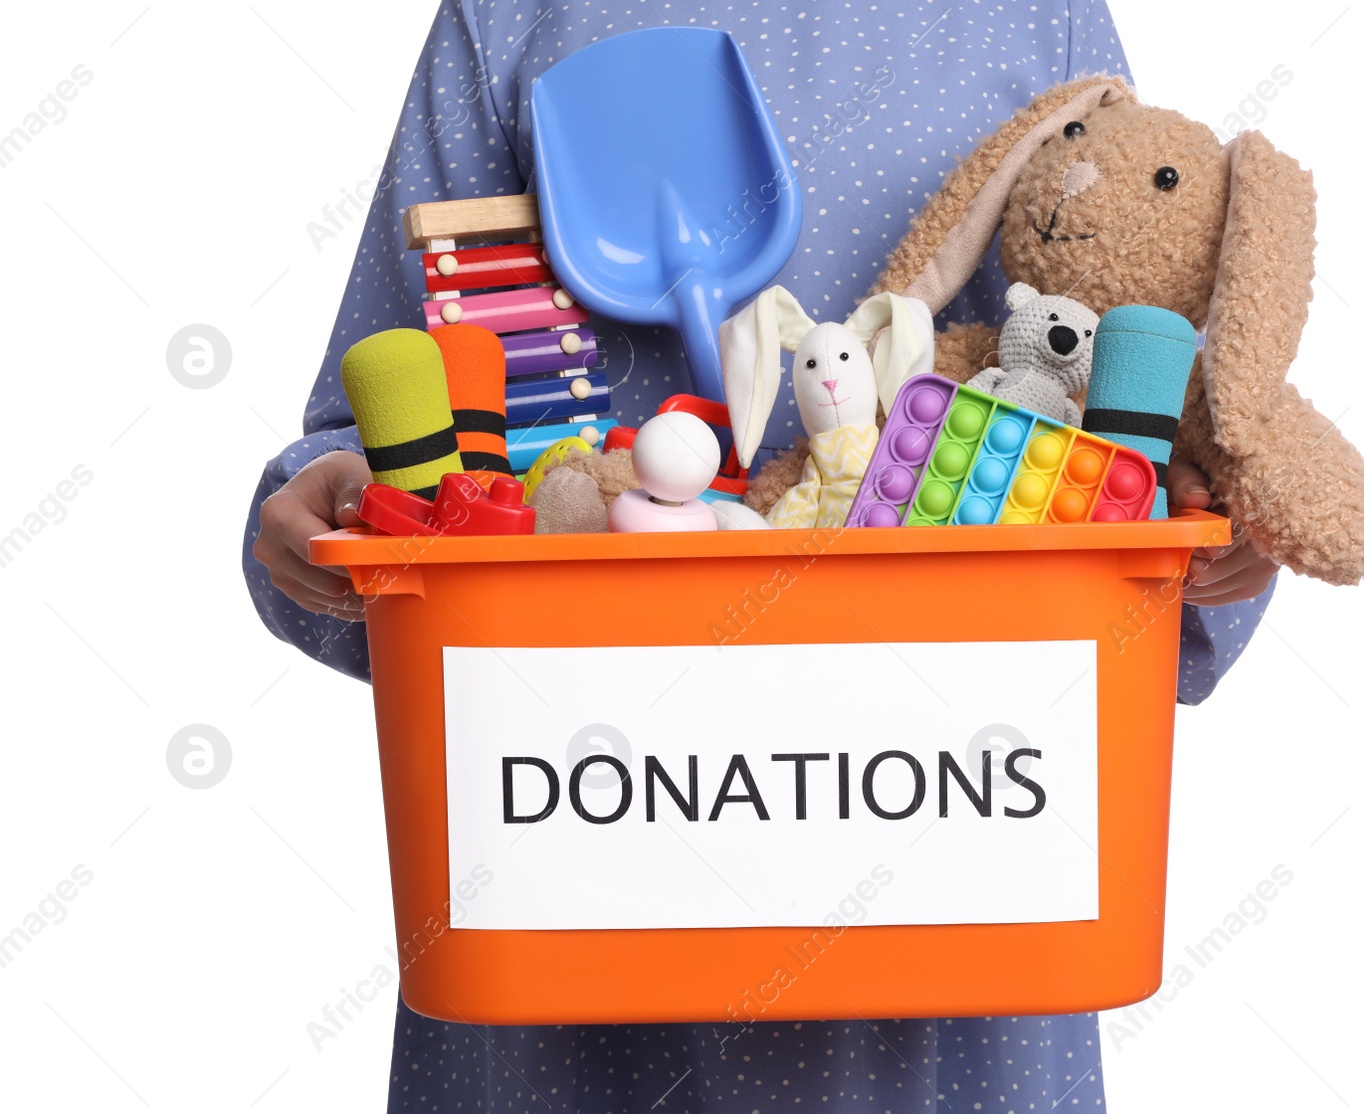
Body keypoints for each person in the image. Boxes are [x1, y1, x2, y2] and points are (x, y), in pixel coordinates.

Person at [244, 2, 1279, 1109]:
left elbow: (1144, 391)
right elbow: (384, 417)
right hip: (582, 853)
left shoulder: (1036, 19)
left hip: (945, 863)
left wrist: (1209, 523)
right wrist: (337, 509)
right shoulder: (514, 18)